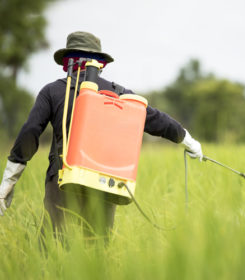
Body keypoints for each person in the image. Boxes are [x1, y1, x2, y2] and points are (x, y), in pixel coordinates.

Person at [0, 31, 202, 237]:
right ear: (100, 63)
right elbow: (155, 119)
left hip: (62, 179)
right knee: (96, 253)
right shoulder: (121, 94)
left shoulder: (52, 91)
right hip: (104, 183)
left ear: (68, 60)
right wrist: (188, 140)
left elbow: (30, 132)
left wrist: (9, 179)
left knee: (52, 248)